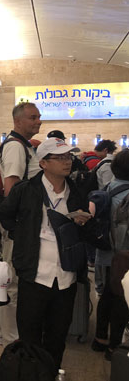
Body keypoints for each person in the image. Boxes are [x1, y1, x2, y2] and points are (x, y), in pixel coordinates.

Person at [0, 137, 100, 377]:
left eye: (69, 157)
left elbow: (88, 233)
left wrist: (83, 223)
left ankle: (50, 374)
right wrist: (24, 235)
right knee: (29, 337)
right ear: (43, 163)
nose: (67, 162)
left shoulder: (76, 192)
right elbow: (4, 214)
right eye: (60, 157)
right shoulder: (26, 190)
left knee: (57, 336)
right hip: (34, 275)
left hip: (65, 276)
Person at [0, 102, 42, 347]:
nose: (38, 121)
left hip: (23, 225)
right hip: (18, 226)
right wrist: (16, 226)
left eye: (39, 117)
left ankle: (4, 330)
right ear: (18, 121)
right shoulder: (15, 147)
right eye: (33, 117)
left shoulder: (25, 146)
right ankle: (9, 338)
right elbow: (11, 188)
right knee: (11, 282)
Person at [91, 150, 129, 360]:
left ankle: (100, 339)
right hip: (124, 257)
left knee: (107, 295)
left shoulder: (107, 189)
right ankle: (114, 347)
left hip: (105, 252)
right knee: (121, 301)